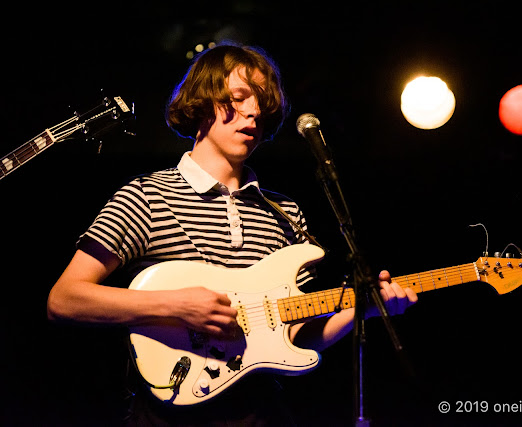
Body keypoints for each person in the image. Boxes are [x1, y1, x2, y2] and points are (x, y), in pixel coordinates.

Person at [47, 42, 418, 425]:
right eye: (239, 98)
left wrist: (363, 309)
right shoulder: (146, 196)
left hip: (260, 413)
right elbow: (65, 300)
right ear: (201, 102)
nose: (254, 112)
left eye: (262, 104)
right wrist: (176, 306)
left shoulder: (286, 213)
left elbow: (296, 334)